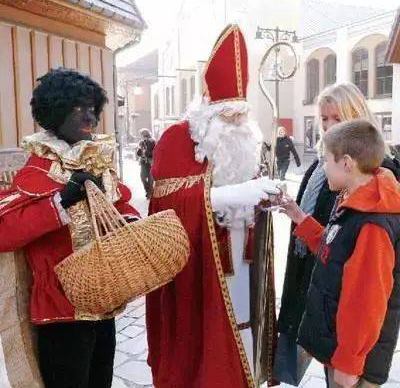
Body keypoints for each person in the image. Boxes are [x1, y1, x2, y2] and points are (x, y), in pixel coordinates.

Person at [145, 24, 279, 388]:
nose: (237, 124)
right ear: (208, 109)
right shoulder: (177, 139)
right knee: (203, 345)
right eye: (228, 116)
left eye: (241, 116)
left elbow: (251, 195)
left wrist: (264, 199)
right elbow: (165, 206)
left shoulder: (251, 143)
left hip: (243, 262)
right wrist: (227, 196)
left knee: (242, 331)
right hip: (197, 270)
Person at [0, 68, 139, 388]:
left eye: (93, 107)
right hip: (60, 311)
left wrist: (128, 224)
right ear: (56, 112)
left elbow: (124, 207)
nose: (89, 115)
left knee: (101, 380)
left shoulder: (98, 164)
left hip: (104, 302)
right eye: (79, 108)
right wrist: (61, 204)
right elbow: (5, 233)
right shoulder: (35, 171)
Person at [276, 82, 400, 386]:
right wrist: (299, 217)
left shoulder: (371, 210)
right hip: (335, 324)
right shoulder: (352, 184)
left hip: (357, 354)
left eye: (337, 118)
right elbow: (336, 244)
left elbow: (366, 298)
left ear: (347, 163)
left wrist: (349, 362)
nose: (328, 126)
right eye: (324, 119)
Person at [136, 128, 156, 198]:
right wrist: (139, 151)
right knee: (142, 177)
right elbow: (138, 153)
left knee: (151, 179)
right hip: (143, 162)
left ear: (145, 134)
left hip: (150, 162)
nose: (141, 136)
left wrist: (146, 152)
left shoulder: (152, 142)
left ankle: (150, 193)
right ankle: (148, 190)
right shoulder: (141, 142)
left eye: (141, 134)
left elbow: (154, 152)